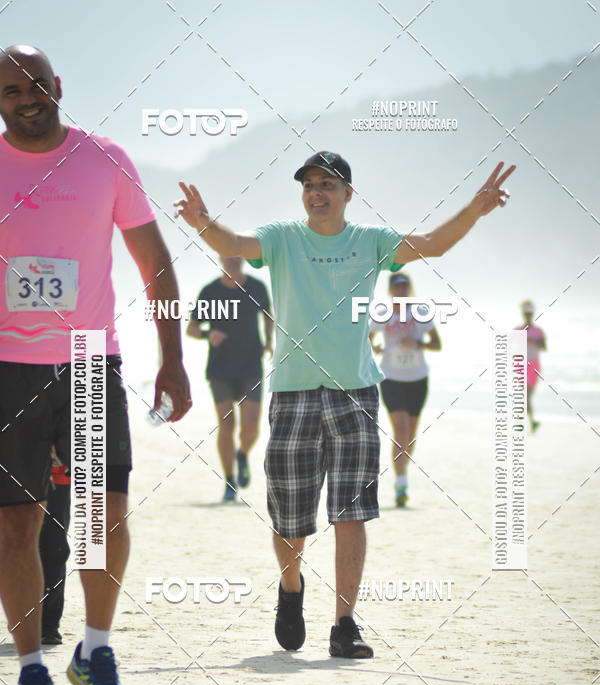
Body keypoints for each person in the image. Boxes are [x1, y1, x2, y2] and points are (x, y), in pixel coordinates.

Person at [174, 150, 514, 658]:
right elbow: (234, 243)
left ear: (348, 193)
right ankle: (291, 592)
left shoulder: (370, 241)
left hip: (355, 393)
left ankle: (344, 624)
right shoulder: (283, 238)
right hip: (292, 392)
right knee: (290, 517)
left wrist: (474, 209)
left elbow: (433, 246)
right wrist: (203, 223)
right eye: (309, 184)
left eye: (328, 184)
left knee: (351, 512)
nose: (317, 192)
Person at [0, 45, 192, 685]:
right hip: (6, 366)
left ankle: (96, 652)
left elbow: (154, 261)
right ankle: (30, 671)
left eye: (35, 84)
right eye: (10, 89)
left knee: (101, 516)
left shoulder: (104, 158)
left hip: (88, 358)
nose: (26, 97)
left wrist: (173, 355)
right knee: (17, 524)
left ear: (58, 84)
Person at [186, 256, 272, 501]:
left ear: (242, 258)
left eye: (236, 257)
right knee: (226, 425)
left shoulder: (257, 287)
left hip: (251, 366)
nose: (232, 261)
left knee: (251, 428)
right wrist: (207, 333)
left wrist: (269, 341)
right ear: (221, 260)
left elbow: (268, 315)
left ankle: (242, 454)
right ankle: (229, 481)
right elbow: (191, 329)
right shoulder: (210, 292)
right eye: (228, 258)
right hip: (220, 369)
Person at [370, 272, 441, 507]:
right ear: (391, 291)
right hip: (391, 377)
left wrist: (417, 343)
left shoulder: (420, 313)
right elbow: (368, 338)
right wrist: (377, 347)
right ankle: (401, 482)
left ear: (409, 289)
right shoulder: (382, 313)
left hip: (417, 378)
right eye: (396, 288)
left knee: (410, 433)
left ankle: (403, 471)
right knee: (399, 429)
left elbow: (437, 344)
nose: (400, 291)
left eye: (404, 287)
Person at [39, 454, 71, 645]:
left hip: (57, 468)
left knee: (55, 547)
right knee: (16, 542)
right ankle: (22, 614)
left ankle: (47, 625)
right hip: (14, 457)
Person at [515, 299, 546, 431]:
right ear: (523, 314)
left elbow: (544, 347)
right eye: (526, 313)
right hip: (521, 365)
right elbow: (509, 348)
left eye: (529, 313)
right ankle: (525, 422)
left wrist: (532, 340)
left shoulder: (538, 331)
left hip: (534, 366)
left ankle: (523, 422)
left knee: (526, 395)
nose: (528, 315)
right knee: (525, 395)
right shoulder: (517, 330)